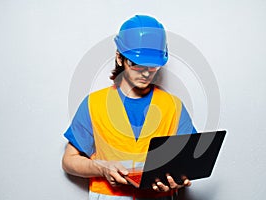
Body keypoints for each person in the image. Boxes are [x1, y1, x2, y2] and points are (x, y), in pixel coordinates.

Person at [62, 15, 197, 200]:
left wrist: (181, 178)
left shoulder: (173, 106)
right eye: (136, 64)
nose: (145, 72)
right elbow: (69, 161)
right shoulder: (95, 103)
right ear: (120, 58)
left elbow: (190, 161)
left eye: (152, 66)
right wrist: (101, 168)